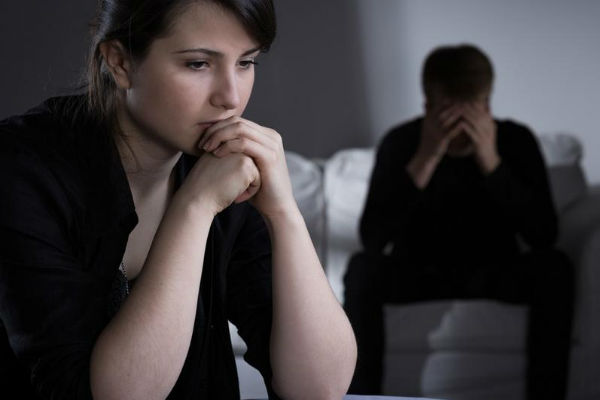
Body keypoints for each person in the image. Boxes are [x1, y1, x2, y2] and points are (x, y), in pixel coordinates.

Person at [0, 1, 357, 399]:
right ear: (120, 62)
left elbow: (319, 387)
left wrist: (283, 212)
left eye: (246, 62)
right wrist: (194, 207)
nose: (231, 97)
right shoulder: (21, 169)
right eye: (198, 64)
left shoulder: (223, 166)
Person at [344, 44, 573, 399]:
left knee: (555, 268)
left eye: (471, 111)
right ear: (428, 107)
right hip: (419, 271)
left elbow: (544, 235)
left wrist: (491, 162)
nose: (460, 127)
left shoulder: (515, 140)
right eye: (449, 113)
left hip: (493, 270)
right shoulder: (402, 142)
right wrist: (427, 156)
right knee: (362, 269)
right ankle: (362, 397)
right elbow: (372, 240)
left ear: (487, 106)